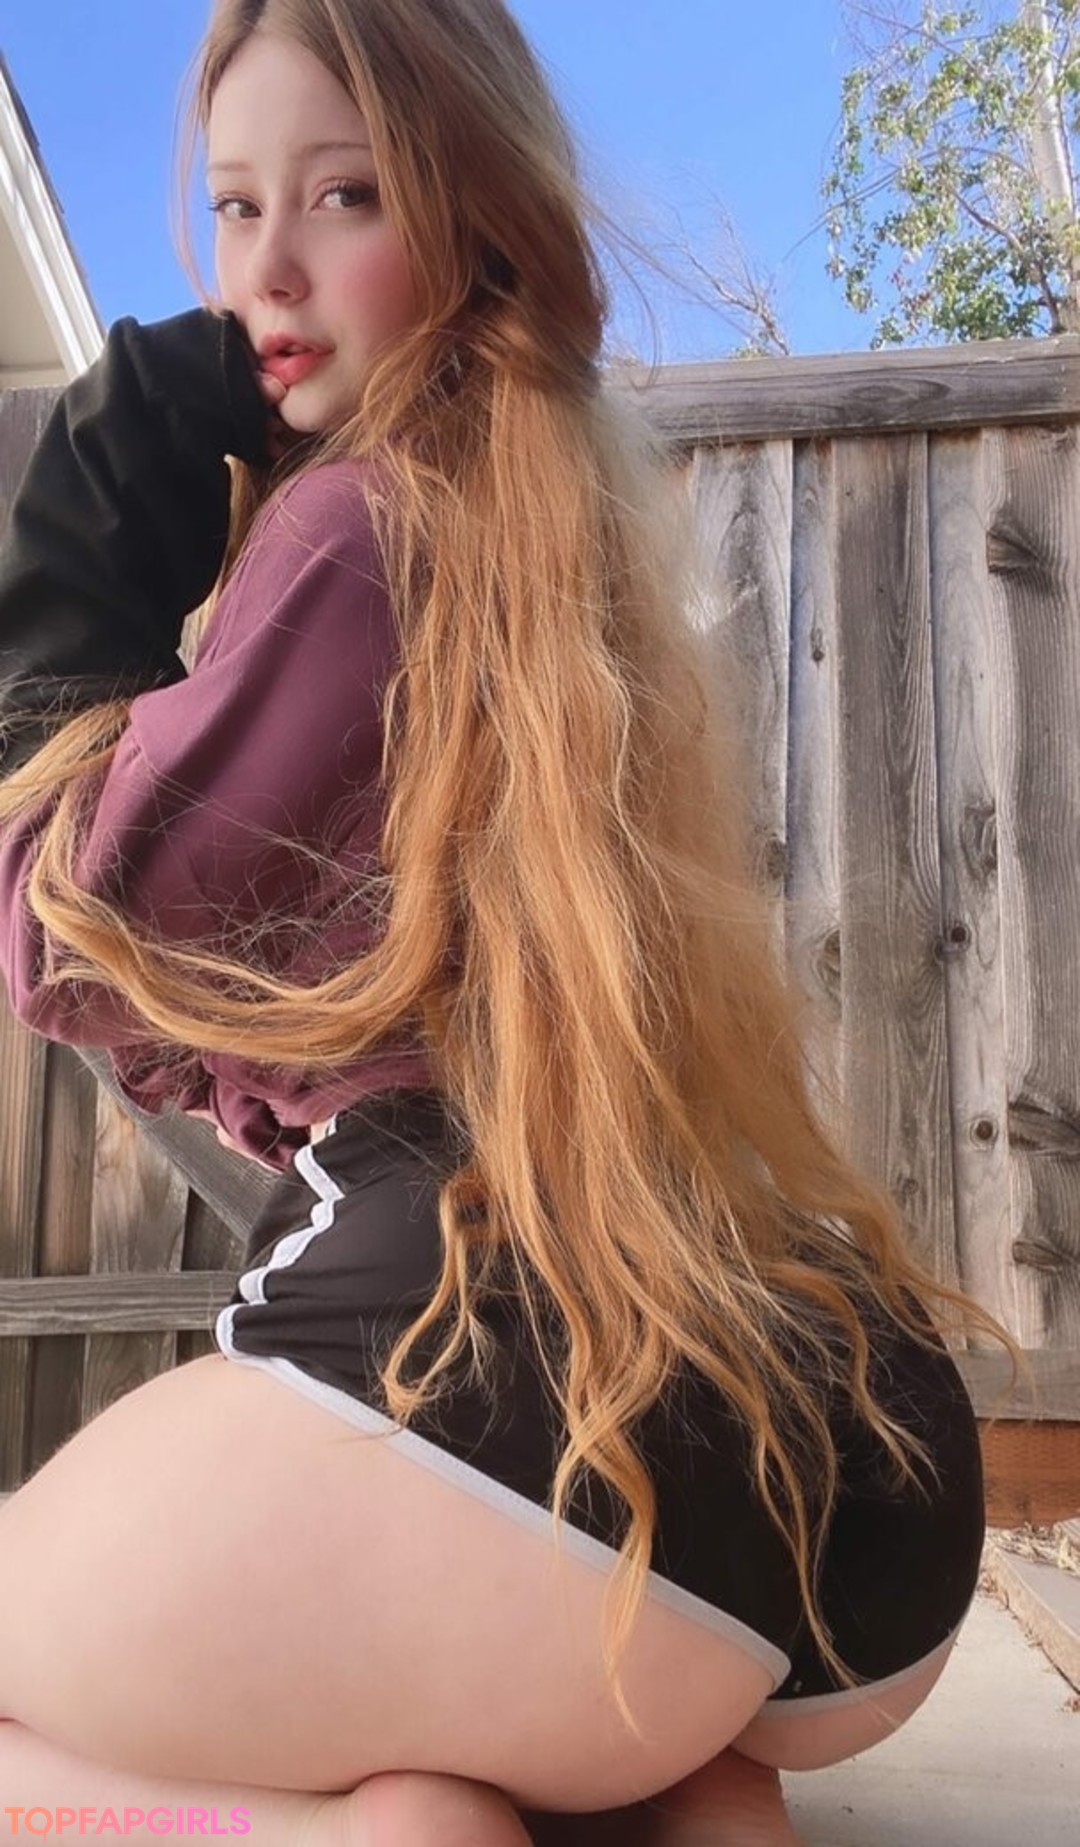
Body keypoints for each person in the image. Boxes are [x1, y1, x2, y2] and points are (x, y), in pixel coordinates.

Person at [0, 2, 1023, 1842]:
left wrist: (66, 614)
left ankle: (358, 1835)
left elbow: (61, 937)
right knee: (572, 1711)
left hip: (486, 1385)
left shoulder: (353, 529)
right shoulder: (566, 532)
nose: (268, 268)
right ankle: (671, 1792)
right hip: (839, 1476)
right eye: (234, 205)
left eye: (344, 194)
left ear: (476, 218)